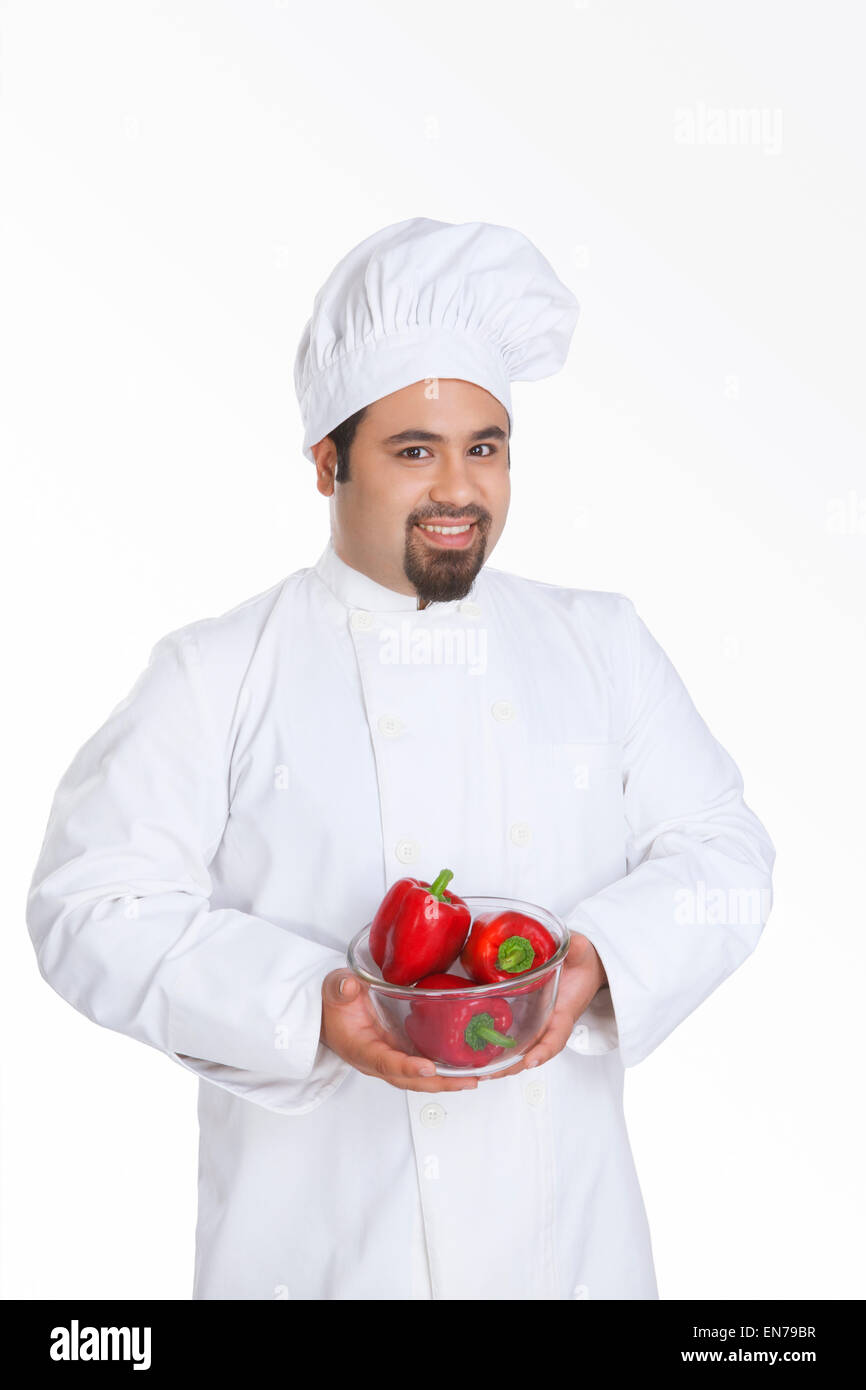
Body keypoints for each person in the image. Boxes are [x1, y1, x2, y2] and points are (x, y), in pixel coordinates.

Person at [26, 217, 775, 1300]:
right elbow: (85, 905)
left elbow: (724, 851)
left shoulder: (599, 643)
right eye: (414, 450)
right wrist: (301, 1002)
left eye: (485, 446)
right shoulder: (218, 670)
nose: (458, 490)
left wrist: (597, 959)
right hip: (321, 1267)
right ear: (326, 462)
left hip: (567, 1262)